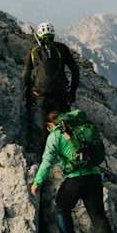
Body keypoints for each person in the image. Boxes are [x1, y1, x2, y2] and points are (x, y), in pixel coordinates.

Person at [30, 110, 115, 233]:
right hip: (94, 176)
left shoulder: (55, 135)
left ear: (50, 124)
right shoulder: (81, 128)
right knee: (98, 216)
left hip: (75, 179)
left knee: (62, 206)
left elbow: (47, 162)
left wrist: (37, 182)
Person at [23, 22, 79, 152]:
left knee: (45, 126)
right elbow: (75, 71)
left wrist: (27, 95)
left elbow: (26, 75)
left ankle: (45, 154)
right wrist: (72, 92)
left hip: (41, 96)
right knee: (65, 123)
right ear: (53, 34)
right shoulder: (62, 48)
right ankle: (71, 152)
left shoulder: (34, 51)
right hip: (61, 94)